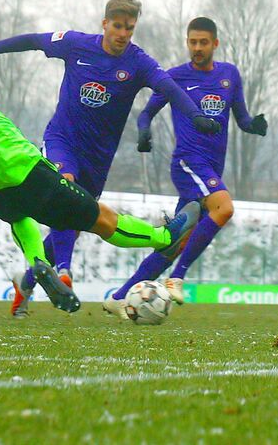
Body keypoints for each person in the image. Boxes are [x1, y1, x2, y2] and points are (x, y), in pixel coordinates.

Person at [0, 20, 201, 314]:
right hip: (24, 170)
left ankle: (37, 263)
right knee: (100, 218)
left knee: (19, 217)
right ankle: (163, 237)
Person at [0, 0, 220, 316]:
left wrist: (195, 114)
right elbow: (32, 40)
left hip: (98, 158)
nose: (123, 33)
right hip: (62, 141)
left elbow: (168, 87)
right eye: (117, 26)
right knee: (63, 187)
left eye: (129, 28)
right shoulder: (75, 45)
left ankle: (27, 282)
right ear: (105, 24)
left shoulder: (138, 62)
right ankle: (64, 273)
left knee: (76, 214)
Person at [102, 17, 268, 318]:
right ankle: (178, 276)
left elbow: (241, 118)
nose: (197, 48)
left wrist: (253, 125)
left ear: (215, 43)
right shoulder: (175, 77)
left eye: (203, 42)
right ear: (187, 42)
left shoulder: (230, 74)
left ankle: (118, 296)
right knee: (225, 208)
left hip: (212, 169)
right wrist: (144, 133)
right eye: (192, 42)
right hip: (188, 163)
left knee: (173, 243)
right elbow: (146, 114)